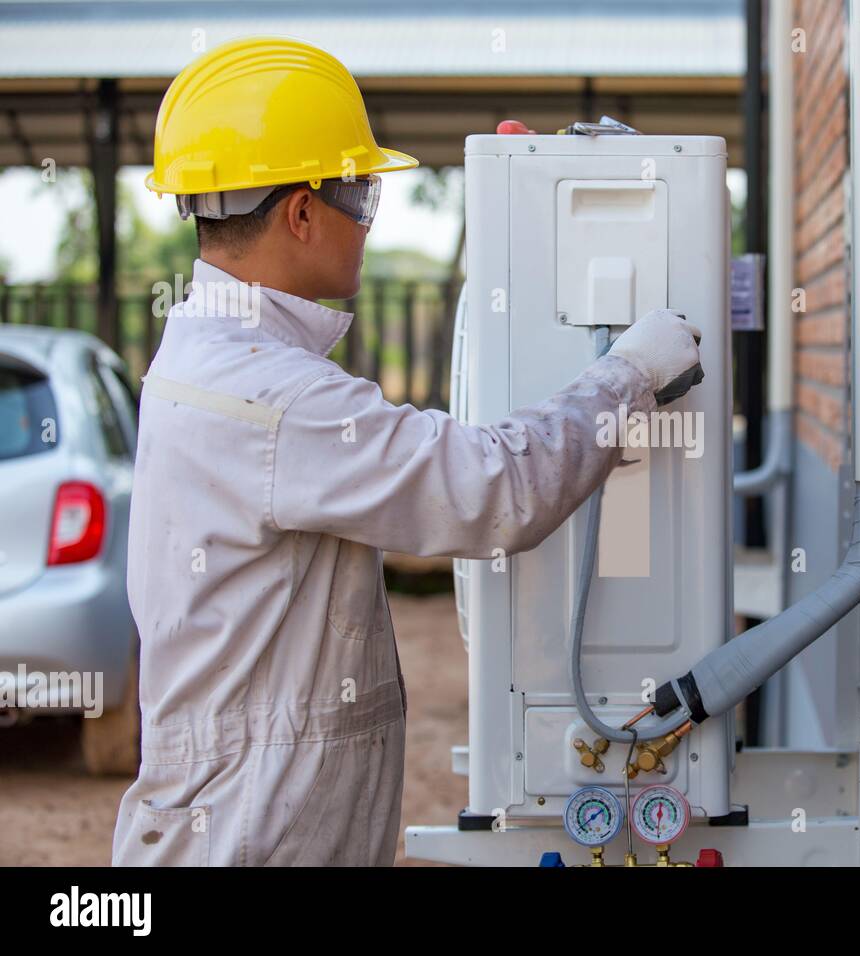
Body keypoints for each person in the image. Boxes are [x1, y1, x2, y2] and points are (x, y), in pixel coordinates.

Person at [111, 35, 703, 866]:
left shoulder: (217, 359)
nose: (364, 219)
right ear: (303, 211)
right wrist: (631, 373)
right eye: (360, 192)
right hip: (251, 835)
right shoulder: (271, 396)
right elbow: (490, 490)